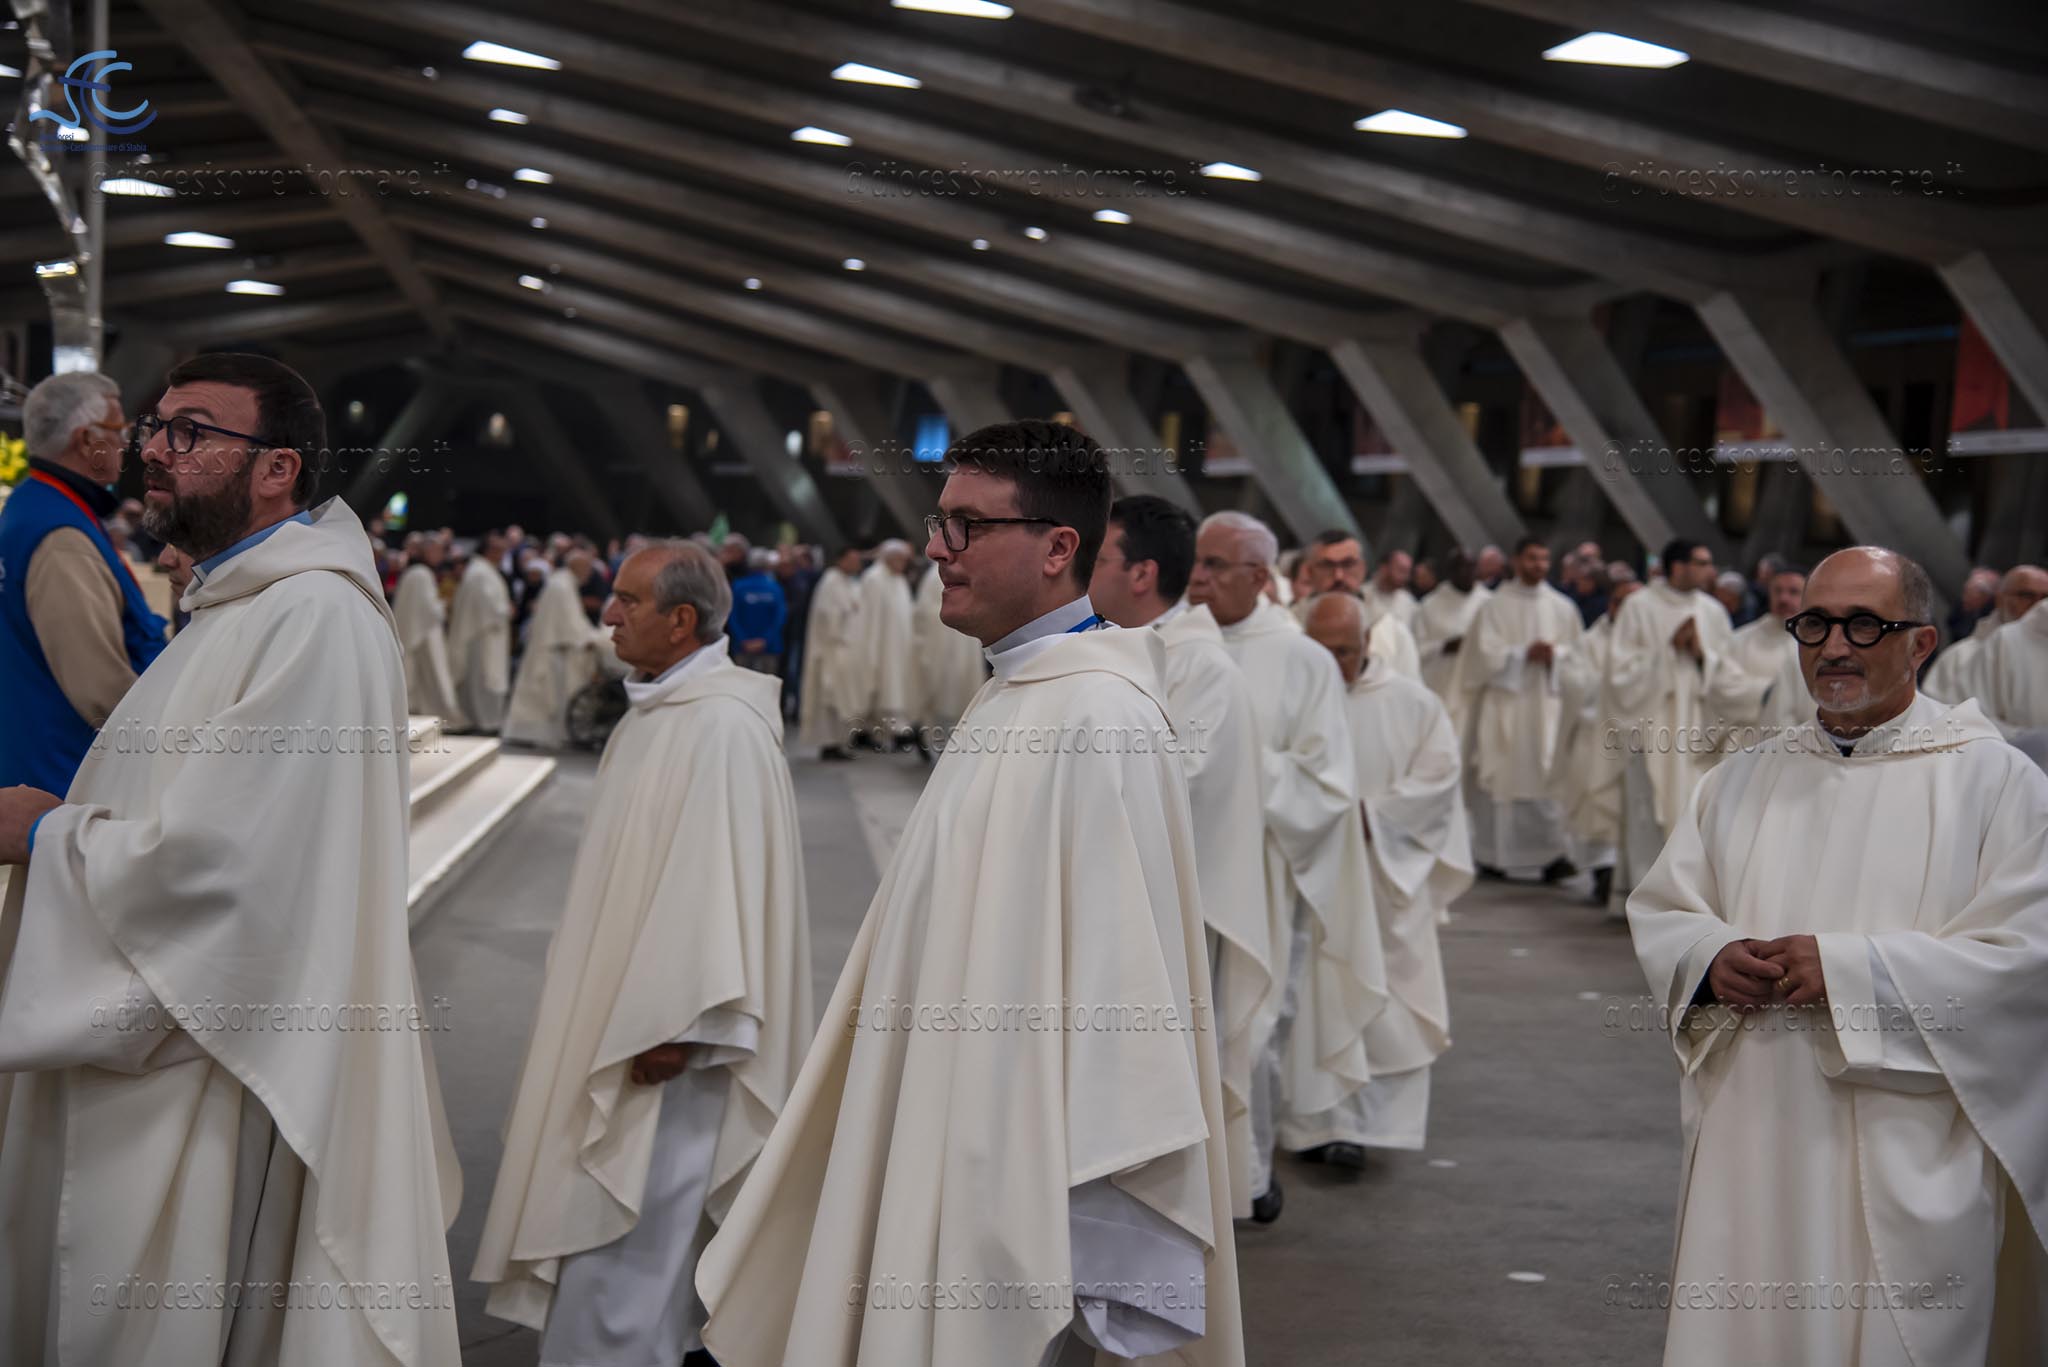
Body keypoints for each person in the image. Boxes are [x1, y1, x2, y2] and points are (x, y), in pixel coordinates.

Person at [697, 420, 1243, 1367]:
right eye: (939, 522)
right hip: (948, 1117)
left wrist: (1071, 1213)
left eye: (968, 526)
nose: (939, 549)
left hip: (1013, 1161)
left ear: (1058, 547)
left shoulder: (1099, 715)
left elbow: (1121, 1003)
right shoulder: (1017, 691)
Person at [0, 351, 461, 1365]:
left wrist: (42, 833)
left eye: (191, 432)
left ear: (277, 468)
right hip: (177, 1032)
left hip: (213, 1053)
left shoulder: (313, 618)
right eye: (155, 427)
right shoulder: (245, 605)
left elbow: (234, 875)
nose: (155, 452)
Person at [1627, 546, 2048, 1367]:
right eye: (1815, 624)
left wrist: (1852, 973)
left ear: (1921, 643)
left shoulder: (1995, 782)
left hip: (1905, 1141)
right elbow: (1667, 907)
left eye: (1863, 625)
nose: (1834, 647)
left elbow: (2027, 959)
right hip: (1756, 1129)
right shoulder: (1741, 778)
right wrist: (1709, 959)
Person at [475, 542, 811, 1367]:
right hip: (625, 1011)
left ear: (681, 620)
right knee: (613, 1229)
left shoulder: (723, 727)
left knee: (631, 1230)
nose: (608, 614)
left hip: (670, 1035)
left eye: (628, 601)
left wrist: (677, 1025)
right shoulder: (659, 711)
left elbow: (716, 887)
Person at [1189, 511, 1384, 1215]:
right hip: (1182, 868)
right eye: (1198, 560)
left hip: (1261, 873)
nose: (1200, 577)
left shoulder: (1302, 659)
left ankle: (1244, 1178)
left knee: (1247, 1028)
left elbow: (1326, 783)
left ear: (1259, 577)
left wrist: (1235, 769)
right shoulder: (1173, 642)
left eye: (1217, 565)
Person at [1090, 494, 1271, 1217]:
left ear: (1142, 574)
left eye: (1098, 557)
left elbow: (1178, 783)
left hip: (1171, 906)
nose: (1080, 571)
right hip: (1119, 896)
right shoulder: (1113, 647)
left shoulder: (1199, 665)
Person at [1304, 592, 1470, 1154]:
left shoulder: (1413, 703)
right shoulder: (1293, 697)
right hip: (1313, 876)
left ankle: (1372, 1128)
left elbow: (1439, 777)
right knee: (1320, 995)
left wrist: (1373, 819)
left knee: (1388, 1003)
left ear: (1367, 644)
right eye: (1320, 651)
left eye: (1344, 652)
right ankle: (1320, 1127)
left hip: (1386, 879)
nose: (1333, 665)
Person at [0, 370, 167, 792]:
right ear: (86, 439)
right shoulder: (60, 535)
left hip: (39, 771)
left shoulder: (32, 506)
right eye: (120, 429)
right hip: (68, 785)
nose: (129, 443)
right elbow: (102, 692)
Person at [1603, 538, 1734, 912]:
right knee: (1647, 812)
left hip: (1697, 730)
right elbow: (1619, 673)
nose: (1710, 571)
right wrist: (1667, 650)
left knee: (1692, 810)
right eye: (1702, 562)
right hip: (1650, 728)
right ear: (1677, 566)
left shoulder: (1712, 611)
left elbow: (1729, 669)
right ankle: (1647, 903)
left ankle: (1685, 899)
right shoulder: (1639, 606)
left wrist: (1701, 654)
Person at [1454, 535, 1586, 883]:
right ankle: (1493, 855)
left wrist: (1555, 656)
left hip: (1548, 705)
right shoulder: (1494, 607)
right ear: (1515, 561)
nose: (1538, 565)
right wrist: (1521, 654)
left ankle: (1553, 855)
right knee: (1502, 775)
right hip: (1505, 707)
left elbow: (1581, 658)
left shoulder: (1563, 607)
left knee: (1548, 774)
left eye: (1543, 559)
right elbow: (1481, 657)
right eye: (1531, 558)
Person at [1552, 568, 1640, 905]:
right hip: (1598, 735)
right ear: (1610, 605)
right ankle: (1604, 870)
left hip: (1642, 739)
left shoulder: (1649, 642)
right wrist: (1613, 692)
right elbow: (1573, 681)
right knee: (1599, 807)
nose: (1625, 610)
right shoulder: (1590, 642)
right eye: (1620, 602)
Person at [503, 548, 607, 750]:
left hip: (551, 648)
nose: (589, 573)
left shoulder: (562, 582)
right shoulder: (562, 586)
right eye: (587, 568)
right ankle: (537, 734)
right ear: (578, 567)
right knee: (547, 697)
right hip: (553, 652)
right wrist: (593, 638)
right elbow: (570, 624)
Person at [1290, 530, 1421, 678]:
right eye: (1327, 566)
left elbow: (1407, 688)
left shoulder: (1392, 631)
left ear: (1362, 568)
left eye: (1348, 564)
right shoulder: (1289, 624)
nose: (1338, 576)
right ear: (1310, 572)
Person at [1704, 562, 1809, 741]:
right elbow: (1722, 686)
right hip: (1745, 740)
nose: (1783, 598)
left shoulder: (1819, 643)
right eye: (1777, 591)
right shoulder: (1740, 639)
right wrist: (1771, 693)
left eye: (1793, 592)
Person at [1922, 563, 2046, 706]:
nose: (2038, 605)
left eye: (2045, 597)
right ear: (2000, 599)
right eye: (2027, 595)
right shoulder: (1959, 657)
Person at [796, 546, 865, 762]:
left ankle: (841, 741)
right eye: (852, 559)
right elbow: (827, 616)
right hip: (830, 650)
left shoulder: (849, 582)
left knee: (842, 698)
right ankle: (829, 743)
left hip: (846, 649)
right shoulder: (830, 582)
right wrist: (848, 611)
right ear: (841, 560)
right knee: (830, 699)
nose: (857, 564)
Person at [1411, 548, 1492, 731]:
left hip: (1476, 691)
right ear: (1450, 571)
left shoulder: (1489, 603)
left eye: (1471, 567)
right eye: (1461, 567)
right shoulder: (1430, 605)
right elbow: (1416, 649)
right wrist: (1443, 646)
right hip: (1440, 686)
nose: (1467, 572)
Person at [911, 553, 988, 743]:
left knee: (963, 691)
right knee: (943, 694)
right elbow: (923, 613)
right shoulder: (933, 577)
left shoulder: (968, 573)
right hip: (942, 647)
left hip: (965, 643)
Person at [394, 533, 468, 728]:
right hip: (426, 633)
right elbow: (429, 609)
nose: (441, 555)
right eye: (437, 550)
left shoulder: (414, 572)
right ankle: (448, 717)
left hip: (418, 631)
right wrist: (445, 605)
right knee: (436, 676)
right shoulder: (421, 574)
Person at [447, 531, 513, 733]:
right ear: (489, 550)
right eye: (498, 550)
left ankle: (486, 720)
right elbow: (486, 607)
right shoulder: (480, 573)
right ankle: (485, 722)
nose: (502, 554)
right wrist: (505, 611)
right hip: (482, 636)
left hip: (487, 635)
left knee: (484, 678)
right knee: (484, 679)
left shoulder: (484, 571)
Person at [853, 539, 915, 747]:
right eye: (900, 560)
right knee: (881, 688)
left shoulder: (898, 580)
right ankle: (878, 731)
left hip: (898, 645)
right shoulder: (874, 579)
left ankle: (891, 731)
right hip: (881, 645)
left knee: (894, 686)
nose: (903, 564)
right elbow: (868, 618)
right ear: (889, 558)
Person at [1965, 593, 2048, 737]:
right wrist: (2028, 739)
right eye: (2026, 595)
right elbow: (1969, 718)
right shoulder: (2007, 641)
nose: (2034, 602)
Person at [727, 547, 789, 675]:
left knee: (741, 682)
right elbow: (779, 618)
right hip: (769, 647)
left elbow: (732, 616)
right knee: (767, 683)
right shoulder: (775, 588)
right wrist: (765, 640)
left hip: (743, 647)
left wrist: (743, 639)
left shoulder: (738, 586)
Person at [1360, 549, 1418, 630]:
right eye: (1401, 570)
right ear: (1384, 568)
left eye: (1407, 572)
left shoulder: (1410, 604)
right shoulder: (1362, 594)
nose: (1406, 577)